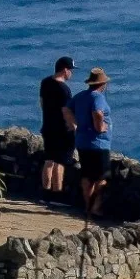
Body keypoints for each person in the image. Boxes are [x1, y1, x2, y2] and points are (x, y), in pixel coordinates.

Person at [71, 68, 114, 216]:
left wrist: (75, 125)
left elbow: (66, 109)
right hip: (98, 143)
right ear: (103, 84)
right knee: (101, 177)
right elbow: (97, 112)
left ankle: (87, 206)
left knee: (87, 175)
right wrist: (100, 126)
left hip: (82, 142)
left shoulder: (80, 96)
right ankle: (95, 208)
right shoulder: (98, 97)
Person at [38, 57, 77, 195]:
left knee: (49, 160)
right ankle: (57, 194)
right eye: (70, 70)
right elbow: (66, 111)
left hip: (48, 127)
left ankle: (45, 193)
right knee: (60, 162)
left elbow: (42, 103)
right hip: (62, 131)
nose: (71, 74)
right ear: (65, 70)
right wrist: (74, 127)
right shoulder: (64, 90)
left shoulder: (45, 82)